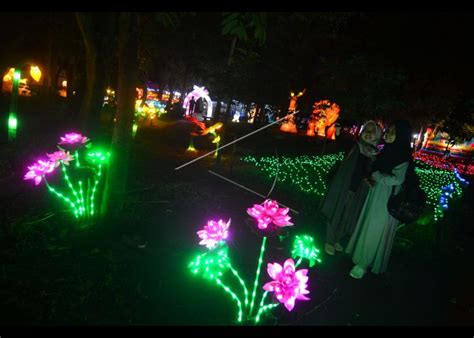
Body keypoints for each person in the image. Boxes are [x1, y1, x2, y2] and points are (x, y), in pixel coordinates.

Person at [345, 120, 413, 279]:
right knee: (367, 223)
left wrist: (376, 175)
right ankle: (359, 256)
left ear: (401, 136)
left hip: (387, 197)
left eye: (393, 132)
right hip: (377, 193)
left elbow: (397, 179)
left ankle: (363, 263)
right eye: (388, 130)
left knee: (375, 229)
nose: (388, 134)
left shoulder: (402, 156)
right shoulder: (387, 151)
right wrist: (372, 177)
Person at [320, 120, 382, 255]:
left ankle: (337, 239)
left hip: (359, 190)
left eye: (373, 132)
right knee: (337, 210)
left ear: (378, 135)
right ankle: (329, 240)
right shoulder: (355, 145)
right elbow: (343, 141)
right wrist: (338, 132)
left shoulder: (375, 154)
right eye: (367, 130)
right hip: (343, 186)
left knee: (349, 215)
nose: (369, 134)